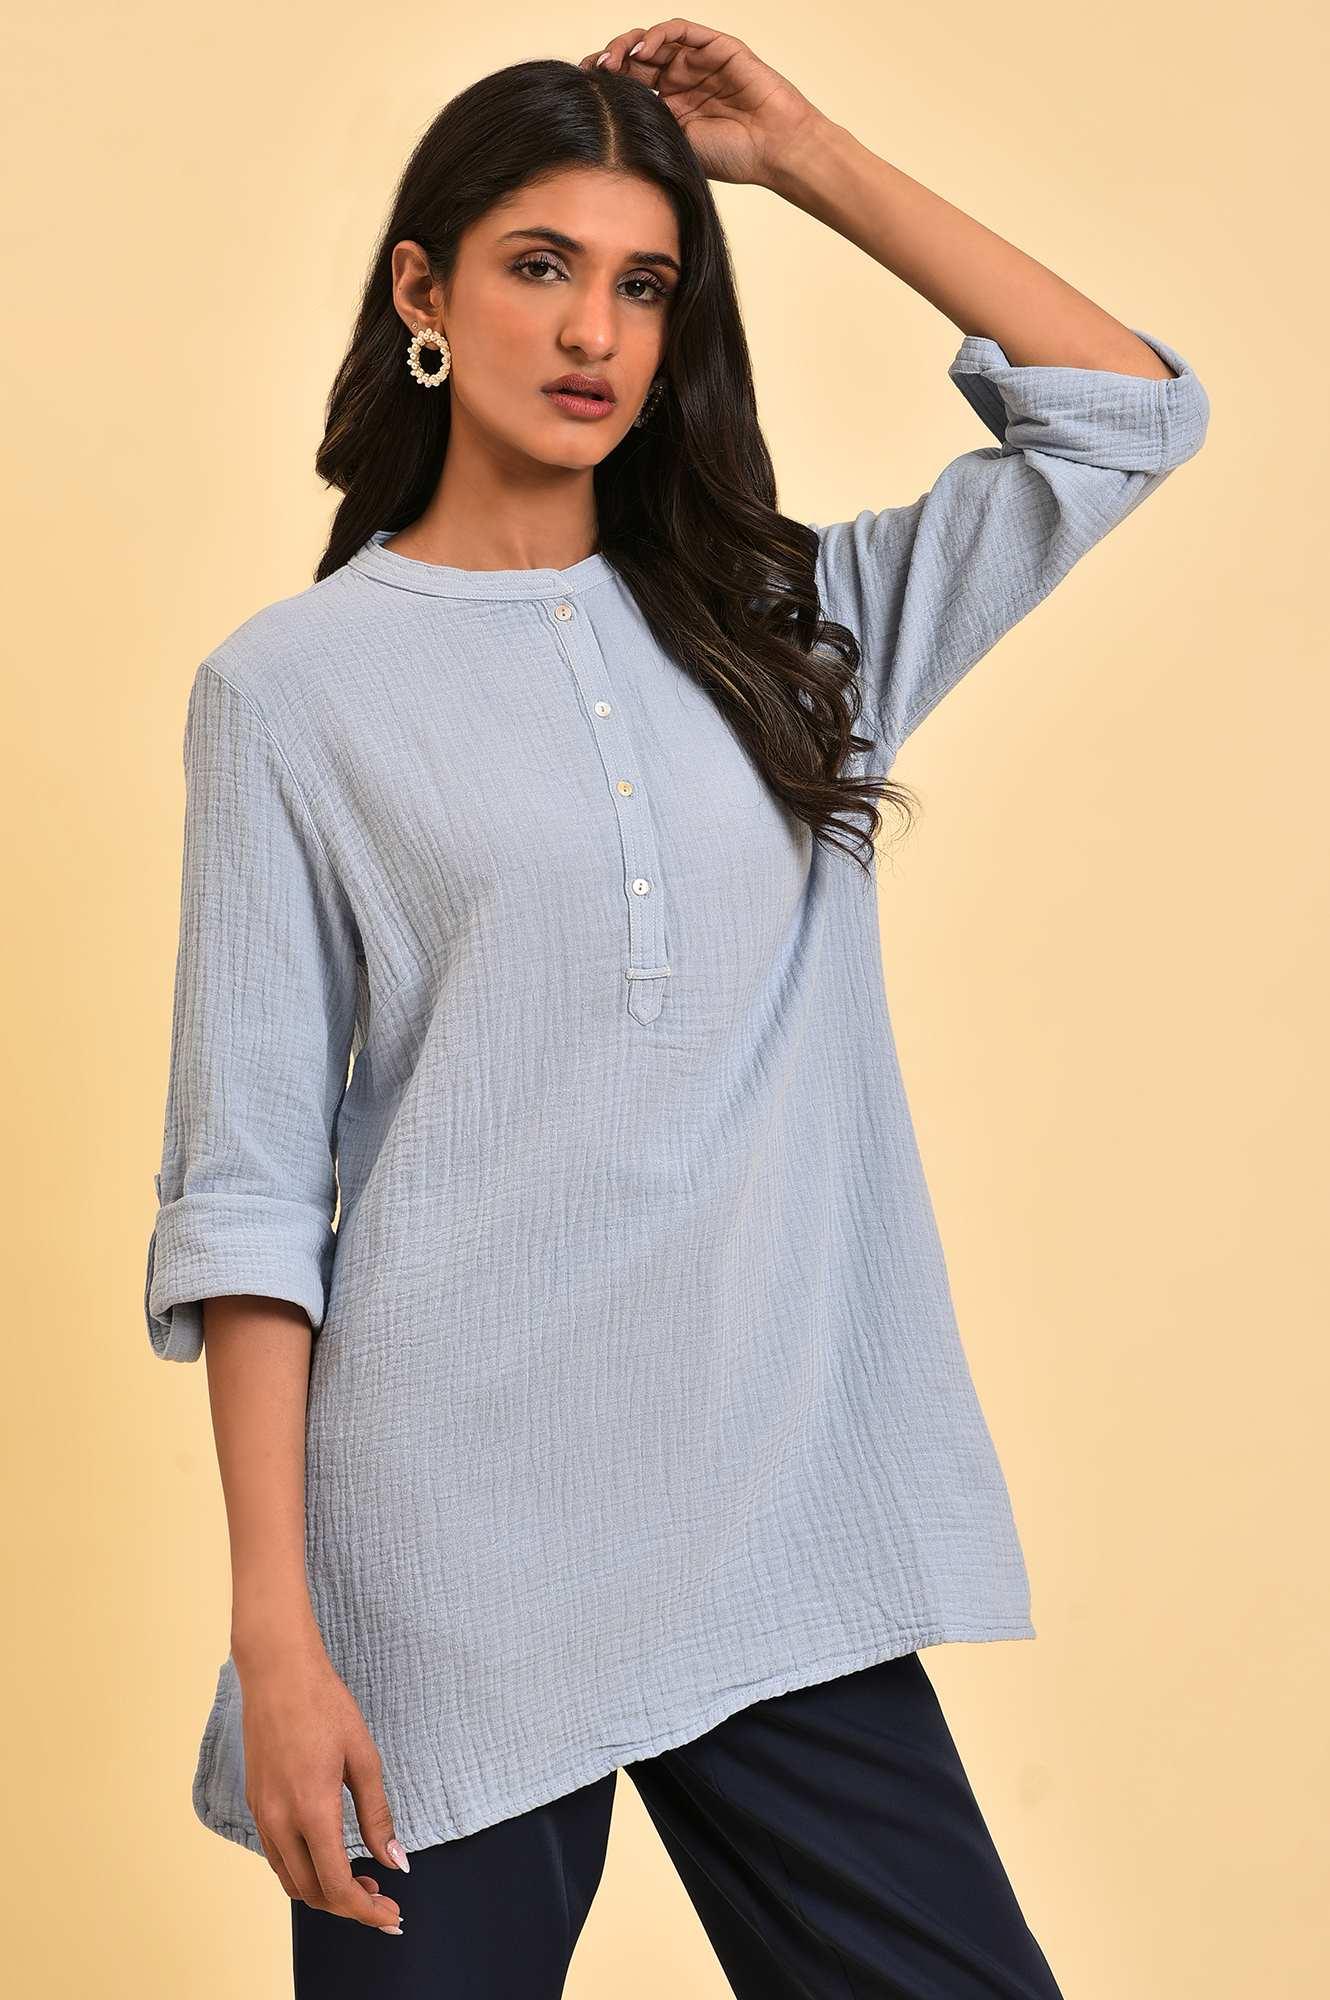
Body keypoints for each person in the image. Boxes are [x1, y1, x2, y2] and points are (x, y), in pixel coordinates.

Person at [142, 20, 1210, 1997]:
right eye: (539, 264)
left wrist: (798, 155)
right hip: (442, 1577)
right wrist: (278, 1638)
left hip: (772, 1535)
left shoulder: (789, 634)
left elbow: (1122, 416)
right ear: (420, 292)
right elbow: (249, 1194)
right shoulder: (290, 693)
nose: (593, 330)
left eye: (644, 283)